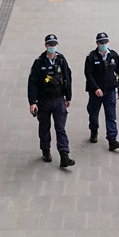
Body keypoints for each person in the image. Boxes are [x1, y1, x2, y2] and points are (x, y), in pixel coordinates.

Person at [27, 34, 75, 168]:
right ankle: (46, 150)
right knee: (44, 127)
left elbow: (68, 77)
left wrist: (68, 97)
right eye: (50, 45)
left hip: (59, 100)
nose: (52, 47)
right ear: (45, 46)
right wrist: (33, 102)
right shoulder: (39, 62)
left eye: (54, 45)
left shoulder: (61, 59)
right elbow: (32, 83)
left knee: (60, 128)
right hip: (44, 101)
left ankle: (64, 155)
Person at [83, 32, 119, 151]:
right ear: (97, 43)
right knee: (93, 112)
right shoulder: (91, 57)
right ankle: (93, 130)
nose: (104, 44)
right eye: (101, 43)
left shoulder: (114, 56)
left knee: (111, 115)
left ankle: (112, 139)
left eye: (106, 42)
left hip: (110, 91)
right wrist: (96, 88)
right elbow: (88, 74)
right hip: (95, 92)